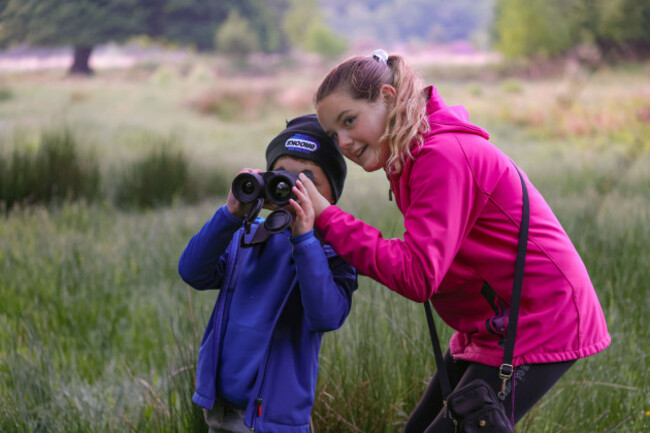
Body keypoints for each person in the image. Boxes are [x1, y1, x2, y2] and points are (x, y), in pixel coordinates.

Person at [294, 50, 611, 432]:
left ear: (389, 98)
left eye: (349, 121)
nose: (343, 142)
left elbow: (417, 275)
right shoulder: (412, 155)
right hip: (494, 325)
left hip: (543, 318)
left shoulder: (440, 156)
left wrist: (328, 218)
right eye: (333, 134)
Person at [178, 114, 357, 433]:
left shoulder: (334, 251)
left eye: (306, 181)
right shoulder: (246, 234)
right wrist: (229, 215)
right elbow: (193, 271)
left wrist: (304, 239)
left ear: (329, 197)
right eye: (281, 177)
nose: (289, 187)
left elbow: (325, 316)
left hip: (275, 420)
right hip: (219, 410)